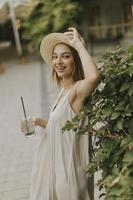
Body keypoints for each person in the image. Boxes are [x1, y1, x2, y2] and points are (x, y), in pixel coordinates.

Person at [29, 27, 100, 200]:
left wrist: (79, 46)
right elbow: (65, 128)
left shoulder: (77, 90)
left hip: (69, 175)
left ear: (75, 60)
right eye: (55, 56)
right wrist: (41, 122)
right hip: (57, 171)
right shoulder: (64, 91)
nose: (58, 61)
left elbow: (94, 78)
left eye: (65, 56)